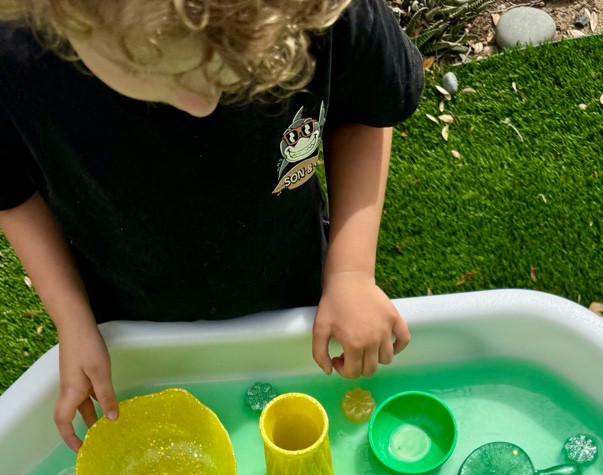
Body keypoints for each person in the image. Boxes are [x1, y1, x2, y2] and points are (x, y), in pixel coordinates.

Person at [0, 0, 423, 449]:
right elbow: (12, 193)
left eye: (234, 70)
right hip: (128, 311)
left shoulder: (324, 10)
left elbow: (365, 108)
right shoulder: (14, 57)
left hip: (289, 280)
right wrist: (72, 318)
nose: (203, 103)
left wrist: (350, 273)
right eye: (155, 69)